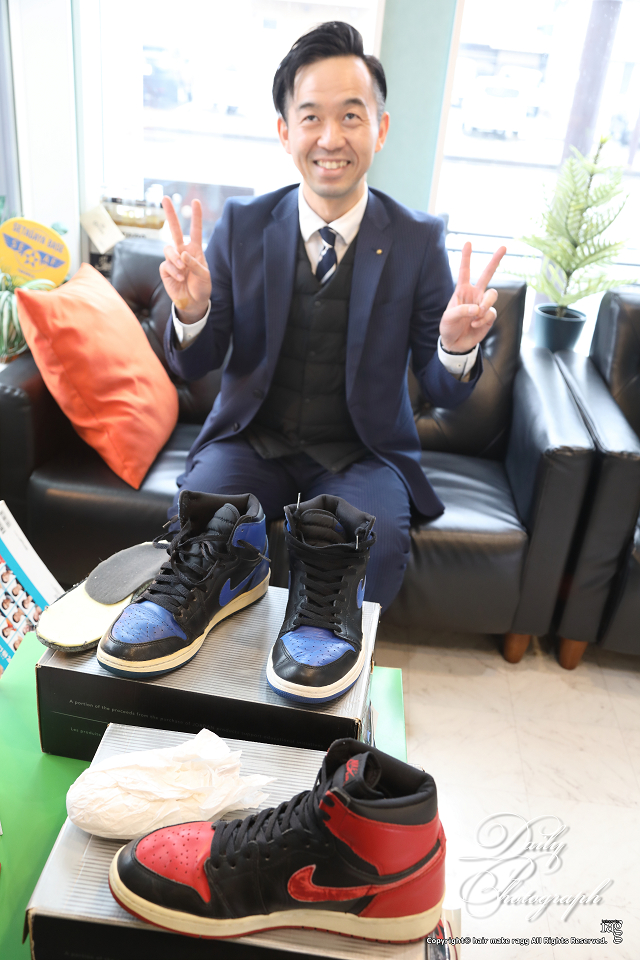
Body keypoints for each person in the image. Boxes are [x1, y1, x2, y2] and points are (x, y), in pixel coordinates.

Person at [158, 21, 505, 612]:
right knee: (198, 543)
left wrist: (455, 348)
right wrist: (191, 311)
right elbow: (196, 363)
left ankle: (325, 655)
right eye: (311, 116)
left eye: (350, 115)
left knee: (364, 558)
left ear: (381, 128)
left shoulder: (418, 240)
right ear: (285, 131)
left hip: (363, 454)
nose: (330, 137)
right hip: (249, 441)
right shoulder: (242, 224)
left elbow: (445, 390)